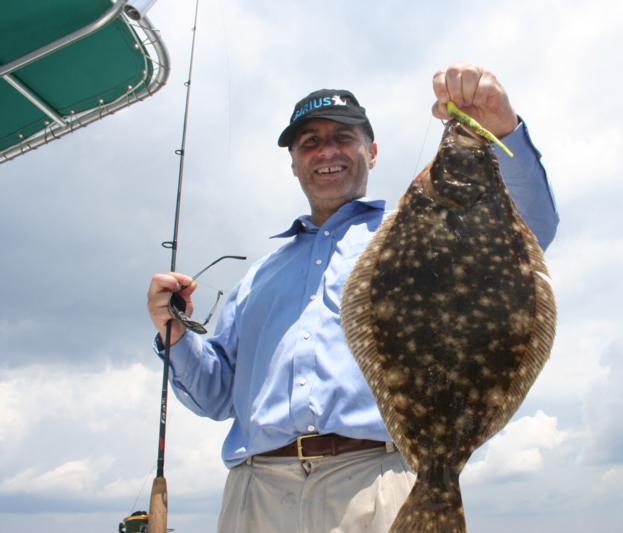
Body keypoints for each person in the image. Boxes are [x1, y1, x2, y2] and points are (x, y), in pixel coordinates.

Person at [146, 61, 559, 533]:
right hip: (257, 494)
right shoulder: (257, 277)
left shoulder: (413, 231)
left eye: (343, 137)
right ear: (294, 163)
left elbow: (532, 224)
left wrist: (502, 127)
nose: (327, 151)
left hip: (376, 483)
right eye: (310, 142)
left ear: (372, 152)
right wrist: (175, 334)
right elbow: (217, 397)